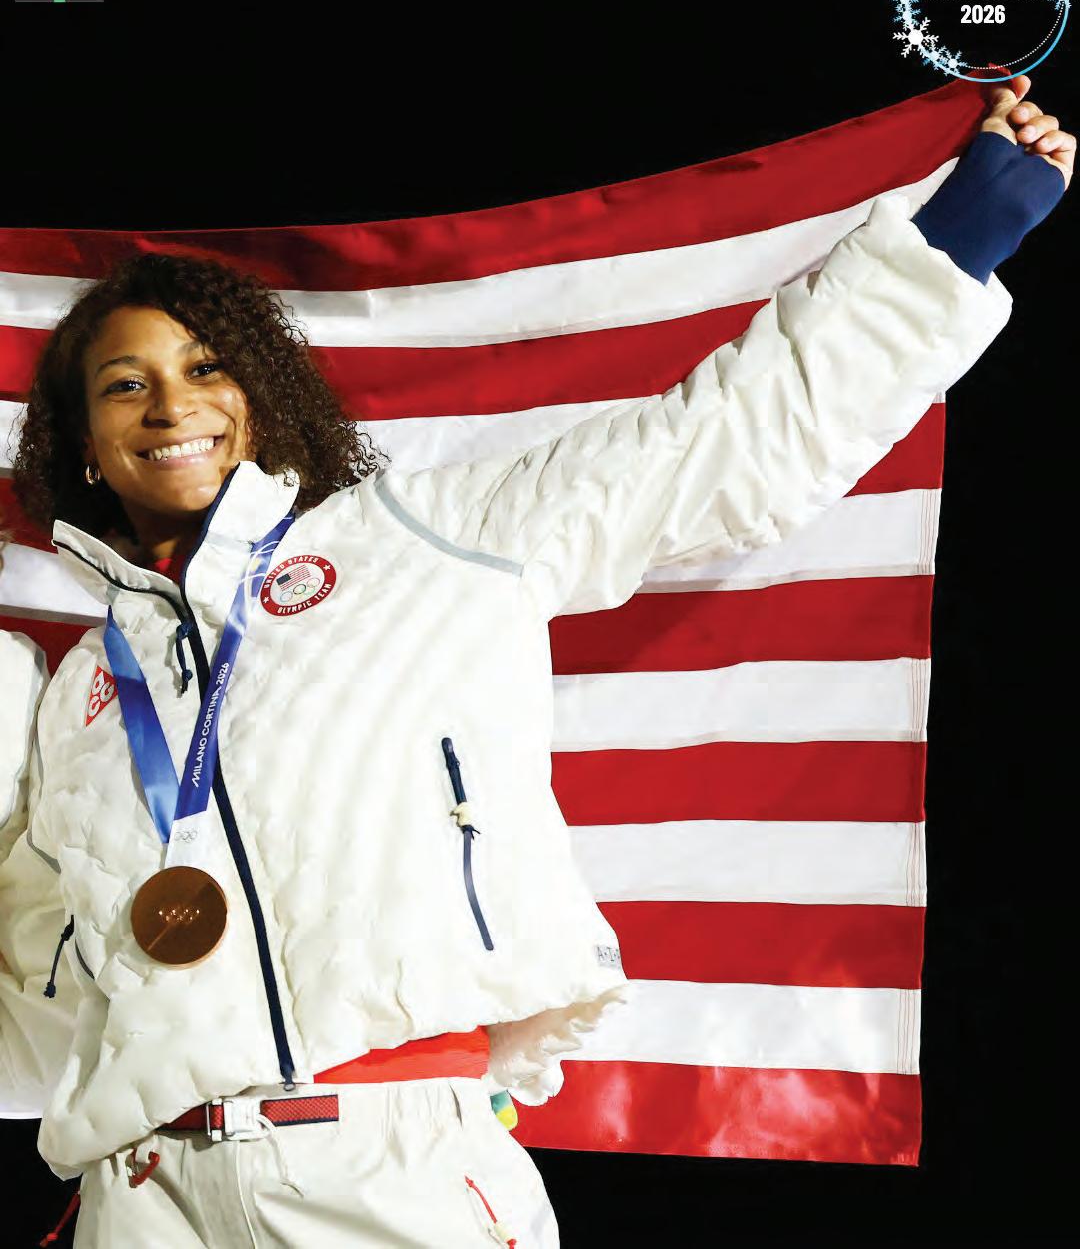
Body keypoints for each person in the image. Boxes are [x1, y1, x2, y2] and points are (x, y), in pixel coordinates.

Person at [0, 76, 1070, 1247]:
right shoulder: (78, 696)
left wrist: (953, 239)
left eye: (207, 369)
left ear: (262, 401)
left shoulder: (424, 536)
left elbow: (710, 442)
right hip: (141, 1198)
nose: (171, 405)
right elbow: (35, 995)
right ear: (86, 447)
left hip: (385, 1174)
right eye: (125, 385)